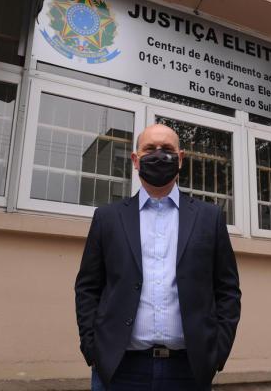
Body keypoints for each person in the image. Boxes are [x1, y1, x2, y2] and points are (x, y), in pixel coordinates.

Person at [75, 124, 241, 391]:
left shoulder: (209, 218)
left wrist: (217, 352)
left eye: (167, 150)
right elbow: (88, 287)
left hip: (189, 371)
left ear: (181, 158)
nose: (159, 155)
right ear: (135, 159)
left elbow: (227, 290)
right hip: (119, 370)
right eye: (150, 149)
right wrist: (92, 347)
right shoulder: (108, 218)